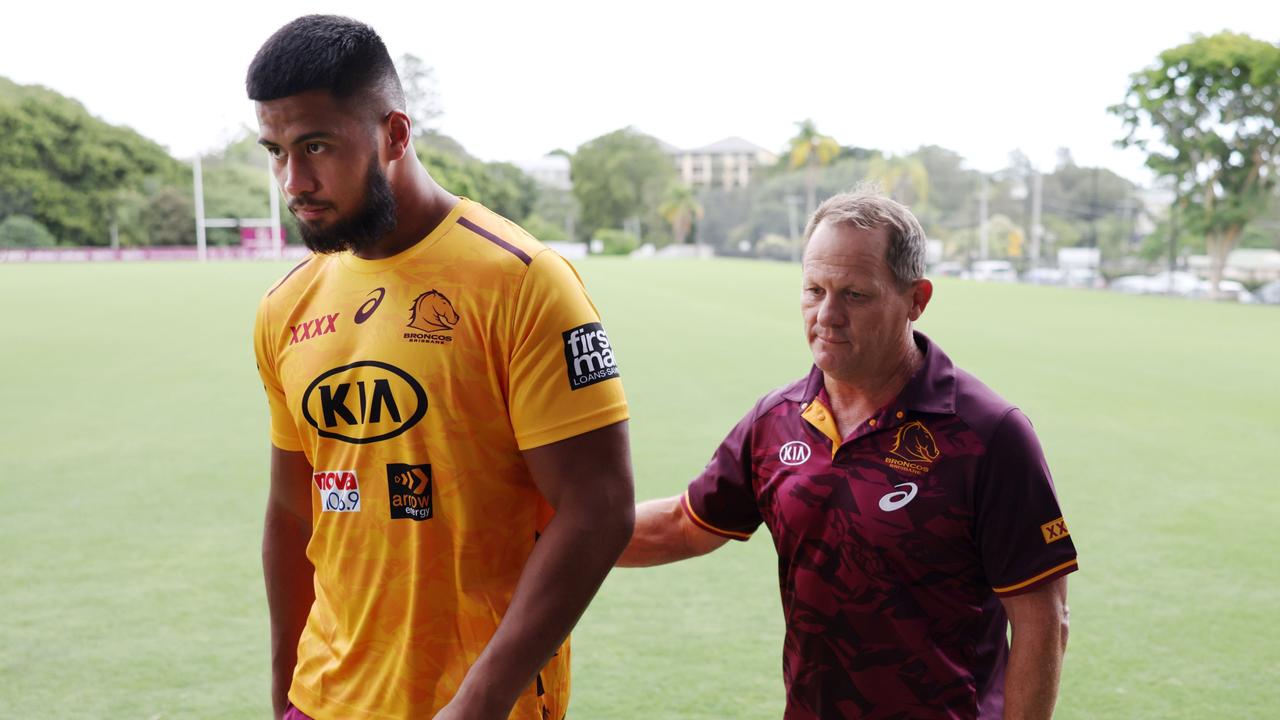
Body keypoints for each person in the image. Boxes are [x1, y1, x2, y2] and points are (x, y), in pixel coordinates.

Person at [248, 16, 634, 720]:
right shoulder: (285, 306)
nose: (293, 180)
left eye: (317, 146)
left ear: (394, 135)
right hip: (324, 699)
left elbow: (599, 507)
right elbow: (291, 508)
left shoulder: (523, 282)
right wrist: (286, 694)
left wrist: (478, 703)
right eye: (275, 151)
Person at [619, 189, 1078, 719]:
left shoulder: (988, 434)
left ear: (916, 299)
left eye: (855, 295)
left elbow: (1043, 620)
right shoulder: (776, 419)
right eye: (814, 290)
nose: (827, 315)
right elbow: (682, 524)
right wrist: (551, 532)